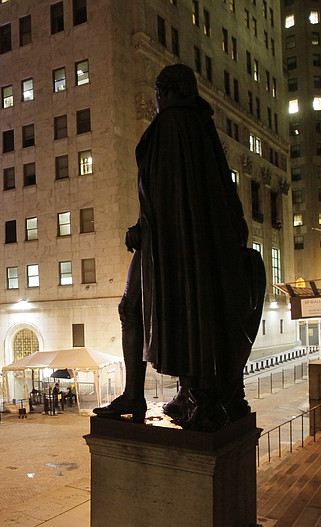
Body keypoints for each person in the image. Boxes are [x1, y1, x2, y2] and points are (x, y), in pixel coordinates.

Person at [95, 64, 265, 431]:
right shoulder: (200, 128)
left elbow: (165, 189)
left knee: (132, 308)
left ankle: (137, 394)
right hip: (182, 241)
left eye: (158, 95)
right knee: (172, 311)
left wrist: (143, 226)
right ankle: (181, 391)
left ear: (166, 92)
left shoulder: (172, 125)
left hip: (167, 243)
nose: (157, 102)